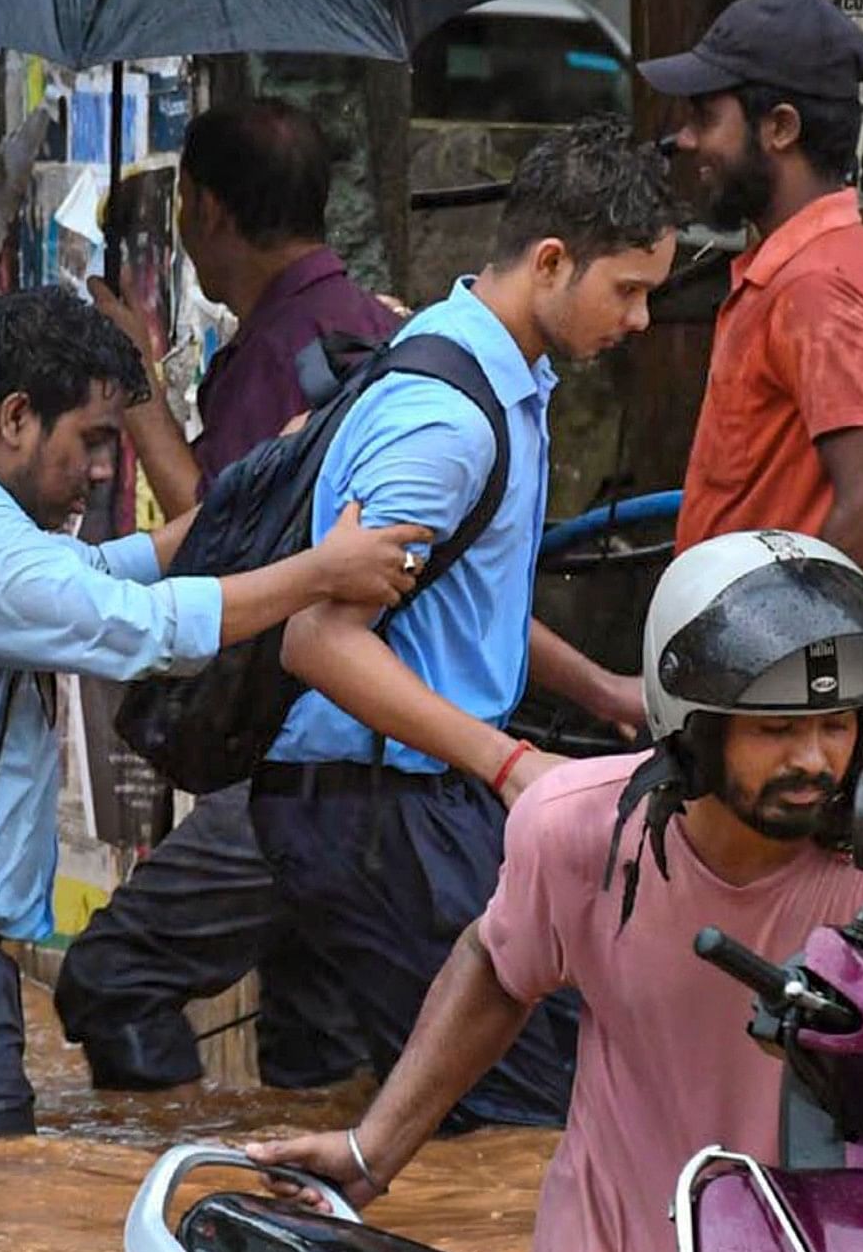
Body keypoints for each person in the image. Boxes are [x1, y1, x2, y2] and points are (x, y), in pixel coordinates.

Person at [249, 532, 863, 1252]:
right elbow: (500, 965)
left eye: (836, 727)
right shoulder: (576, 828)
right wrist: (374, 1152)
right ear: (695, 728)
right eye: (776, 728)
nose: (813, 761)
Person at [0, 290, 437, 1150]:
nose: (103, 469)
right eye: (93, 439)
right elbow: (140, 628)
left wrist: (265, 485)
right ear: (17, 417)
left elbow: (97, 571)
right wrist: (322, 571)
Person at [250, 118, 672, 1131]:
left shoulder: (498, 376)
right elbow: (317, 639)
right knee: (523, 1123)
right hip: (383, 811)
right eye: (630, 289)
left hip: (400, 800)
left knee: (450, 1115)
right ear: (551, 261)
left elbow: (455, 598)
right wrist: (506, 764)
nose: (645, 319)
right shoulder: (445, 416)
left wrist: (600, 690)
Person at [57, 99, 408, 1092]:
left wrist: (133, 394)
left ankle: (170, 1195)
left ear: (205, 208)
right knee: (312, 1041)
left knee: (111, 977)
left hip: (299, 742)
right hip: (355, 750)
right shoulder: (353, 323)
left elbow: (221, 531)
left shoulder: (298, 346)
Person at [645, 0, 863, 742]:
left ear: (780, 128)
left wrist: (762, 672)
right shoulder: (808, 269)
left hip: (780, 729)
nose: (686, 141)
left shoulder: (817, 284)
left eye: (706, 117)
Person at [92, 97, 405, 513]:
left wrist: (134, 377)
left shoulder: (279, 355)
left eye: (184, 202)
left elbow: (210, 535)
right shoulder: (374, 320)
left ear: (209, 212)